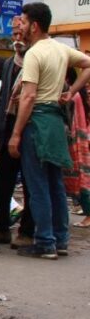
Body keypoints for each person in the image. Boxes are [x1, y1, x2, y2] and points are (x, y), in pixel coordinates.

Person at [8, 2, 90, 259]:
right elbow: (88, 64)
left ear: (34, 25)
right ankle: (61, 239)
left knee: (38, 185)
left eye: (22, 21)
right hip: (56, 122)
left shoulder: (34, 54)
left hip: (38, 121)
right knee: (55, 183)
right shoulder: (60, 49)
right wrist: (71, 91)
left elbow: (28, 97)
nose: (19, 27)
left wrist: (16, 133)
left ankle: (45, 242)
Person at [0, 16, 35, 247]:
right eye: (14, 35)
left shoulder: (38, 60)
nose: (17, 39)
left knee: (31, 184)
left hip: (29, 130)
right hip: (7, 129)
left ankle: (27, 231)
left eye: (21, 34)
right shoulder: (9, 64)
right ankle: (1, 226)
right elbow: (2, 100)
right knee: (1, 183)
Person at [63, 68, 90, 227]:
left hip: (77, 142)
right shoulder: (77, 95)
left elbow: (76, 121)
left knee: (82, 180)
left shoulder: (75, 96)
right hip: (78, 140)